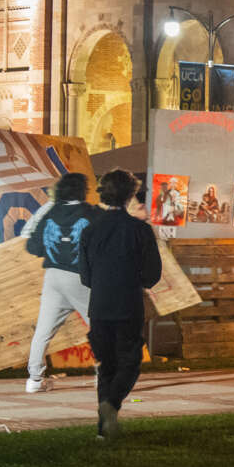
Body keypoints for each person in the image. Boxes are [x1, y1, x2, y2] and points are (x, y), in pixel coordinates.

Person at [80, 169, 163, 439]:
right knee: (130, 361)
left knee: (106, 365)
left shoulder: (90, 230)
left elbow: (85, 275)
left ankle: (103, 430)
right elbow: (152, 273)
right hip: (128, 304)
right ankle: (112, 404)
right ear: (130, 195)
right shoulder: (140, 230)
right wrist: (137, 280)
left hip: (99, 305)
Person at [24, 172, 101, 393]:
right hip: (81, 278)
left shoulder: (50, 213)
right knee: (101, 326)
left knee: (43, 331)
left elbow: (33, 247)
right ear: (83, 190)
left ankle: (34, 380)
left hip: (53, 277)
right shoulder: (92, 214)